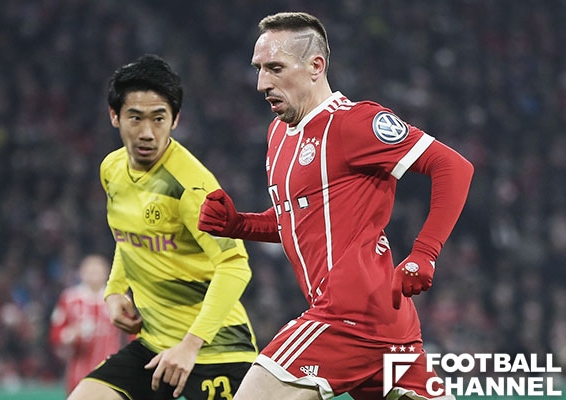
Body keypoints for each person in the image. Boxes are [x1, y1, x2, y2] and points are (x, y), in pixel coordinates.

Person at [198, 12, 473, 400]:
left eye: (275, 68)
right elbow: (300, 220)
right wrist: (239, 225)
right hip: (384, 326)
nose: (262, 83)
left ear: (315, 66)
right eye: (258, 69)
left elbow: (453, 167)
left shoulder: (354, 122)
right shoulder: (278, 134)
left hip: (347, 316)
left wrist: (424, 253)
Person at [67, 54, 258, 400]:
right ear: (114, 116)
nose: (147, 133)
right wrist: (114, 290)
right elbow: (130, 236)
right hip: (153, 346)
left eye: (158, 119)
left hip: (216, 351)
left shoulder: (192, 187)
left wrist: (190, 345)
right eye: (135, 118)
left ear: (175, 119)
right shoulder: (112, 169)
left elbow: (235, 265)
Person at [49, 254, 127, 395]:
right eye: (90, 271)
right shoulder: (69, 299)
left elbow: (133, 332)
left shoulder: (118, 299)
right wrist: (71, 334)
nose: (94, 275)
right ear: (81, 273)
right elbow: (55, 334)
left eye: (98, 271)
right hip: (78, 373)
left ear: (107, 273)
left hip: (111, 371)